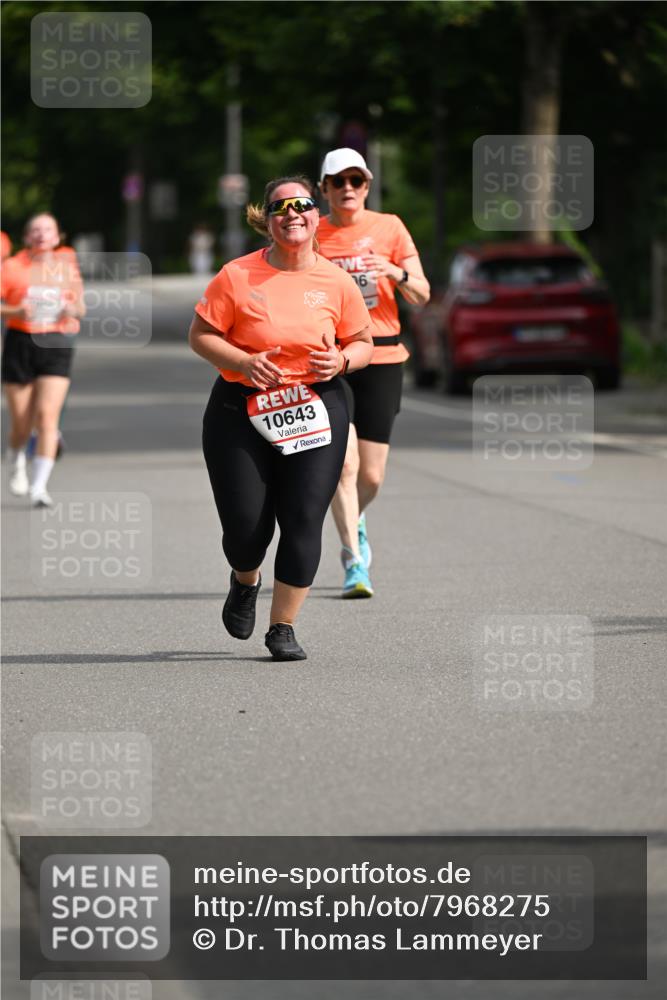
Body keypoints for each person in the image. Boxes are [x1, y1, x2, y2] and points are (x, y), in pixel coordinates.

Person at [188, 176, 372, 661]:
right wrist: (244, 361)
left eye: (303, 204)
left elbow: (362, 343)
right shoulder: (236, 275)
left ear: (316, 216)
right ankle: (245, 579)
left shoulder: (335, 281)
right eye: (280, 206)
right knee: (247, 531)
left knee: (303, 517)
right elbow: (201, 336)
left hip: (316, 406)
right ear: (266, 219)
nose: (292, 213)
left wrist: (343, 362)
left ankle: (283, 627)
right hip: (240, 408)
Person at [317, 148, 431, 598]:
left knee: (372, 476)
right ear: (323, 188)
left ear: (367, 185)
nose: (348, 189)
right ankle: (354, 560)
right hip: (334, 359)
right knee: (343, 466)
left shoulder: (390, 227)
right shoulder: (313, 233)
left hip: (383, 357)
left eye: (356, 181)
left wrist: (395, 271)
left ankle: (354, 519)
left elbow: (423, 293)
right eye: (338, 181)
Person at [1, 213, 84, 506]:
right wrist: (16, 312)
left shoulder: (67, 266)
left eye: (47, 229)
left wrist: (71, 311)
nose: (41, 234)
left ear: (57, 236)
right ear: (26, 238)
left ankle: (39, 487)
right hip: (20, 342)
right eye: (35, 230)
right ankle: (16, 458)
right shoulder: (12, 267)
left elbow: (81, 307)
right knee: (22, 421)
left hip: (57, 342)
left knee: (48, 417)